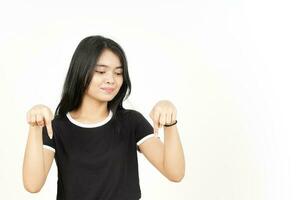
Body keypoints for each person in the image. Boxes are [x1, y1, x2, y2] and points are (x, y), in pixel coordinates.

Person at [22, 35, 185, 200]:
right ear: (81, 71)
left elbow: (175, 173)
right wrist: (35, 127)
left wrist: (170, 124)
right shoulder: (56, 127)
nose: (111, 80)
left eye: (118, 72)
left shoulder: (131, 122)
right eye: (101, 71)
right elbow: (32, 185)